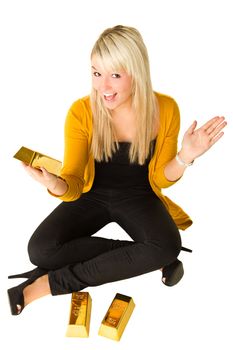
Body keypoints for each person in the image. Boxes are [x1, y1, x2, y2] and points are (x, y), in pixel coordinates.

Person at [8, 25, 227, 316]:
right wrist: (53, 183)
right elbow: (72, 185)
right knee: (41, 250)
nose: (103, 87)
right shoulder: (81, 111)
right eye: (96, 73)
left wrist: (185, 156)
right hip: (91, 195)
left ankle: (44, 286)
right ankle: (150, 257)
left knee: (168, 244)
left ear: (136, 72)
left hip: (140, 196)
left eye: (115, 75)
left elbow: (162, 178)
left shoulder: (165, 109)